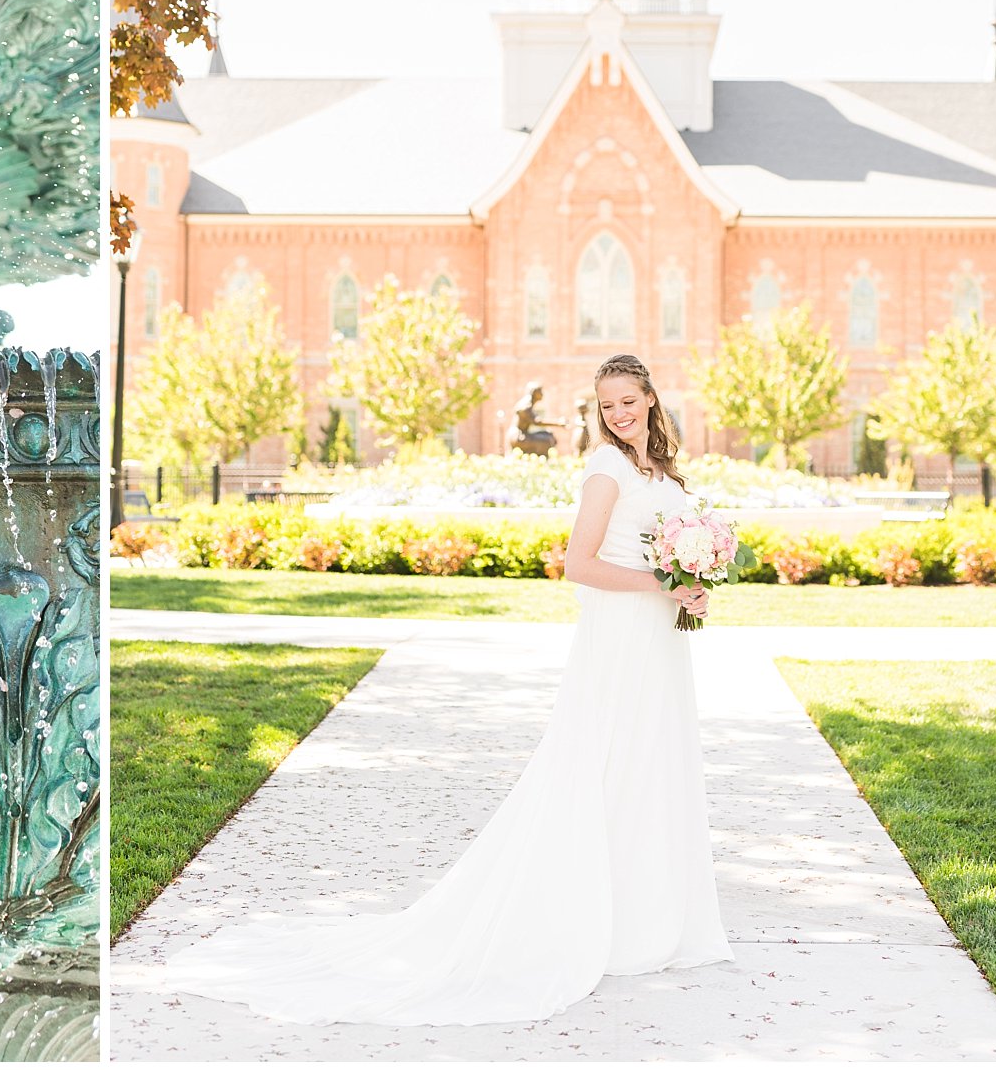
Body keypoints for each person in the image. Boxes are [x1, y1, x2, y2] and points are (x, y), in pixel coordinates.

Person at [165, 353, 733, 1026]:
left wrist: (691, 578)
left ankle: (651, 917)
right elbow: (578, 564)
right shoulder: (605, 468)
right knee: (609, 768)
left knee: (651, 767)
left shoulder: (660, 470)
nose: (619, 414)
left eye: (628, 401)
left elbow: (658, 548)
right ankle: (602, 923)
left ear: (650, 397)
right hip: (620, 642)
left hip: (659, 640)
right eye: (607, 405)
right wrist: (659, 583)